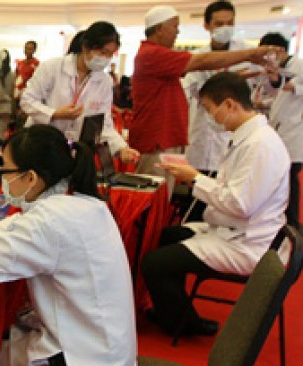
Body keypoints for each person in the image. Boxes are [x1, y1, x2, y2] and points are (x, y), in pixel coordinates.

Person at [0, 125, 139, 366]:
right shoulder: (87, 205)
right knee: (10, 332)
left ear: (30, 177)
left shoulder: (49, 221)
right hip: (108, 355)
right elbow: (26, 225)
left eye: (5, 171)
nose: (3, 180)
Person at [142, 72, 290, 336]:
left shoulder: (260, 145)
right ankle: (177, 312)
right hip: (234, 228)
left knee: (154, 263)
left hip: (248, 241)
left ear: (230, 104)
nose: (211, 117)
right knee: (167, 235)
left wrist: (195, 179)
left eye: (211, 110)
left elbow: (240, 204)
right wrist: (194, 179)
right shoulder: (248, 137)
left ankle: (183, 324)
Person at [129, 5, 273, 190]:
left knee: (165, 197)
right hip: (159, 139)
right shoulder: (152, 54)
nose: (178, 32)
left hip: (169, 137)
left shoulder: (160, 55)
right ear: (159, 29)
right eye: (174, 26)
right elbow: (202, 62)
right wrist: (251, 54)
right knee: (156, 198)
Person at [21, 21, 139, 163]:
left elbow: (103, 123)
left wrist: (120, 148)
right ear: (85, 47)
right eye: (102, 52)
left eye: (110, 54)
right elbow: (27, 101)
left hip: (74, 149)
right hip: (41, 143)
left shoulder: (105, 80)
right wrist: (54, 114)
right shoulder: (52, 67)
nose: (105, 59)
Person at [183, 1, 258, 176]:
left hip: (234, 134)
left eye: (230, 23)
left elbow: (267, 87)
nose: (225, 28)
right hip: (203, 135)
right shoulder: (199, 58)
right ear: (207, 26)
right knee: (198, 191)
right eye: (219, 24)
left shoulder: (247, 54)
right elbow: (187, 90)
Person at [262, 33, 303, 225]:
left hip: (294, 130)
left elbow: (288, 88)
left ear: (280, 49)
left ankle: (293, 224)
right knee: (278, 178)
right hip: (277, 127)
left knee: (290, 178)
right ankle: (279, 220)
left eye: (270, 52)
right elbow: (274, 91)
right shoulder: (275, 68)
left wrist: (289, 84)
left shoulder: (299, 65)